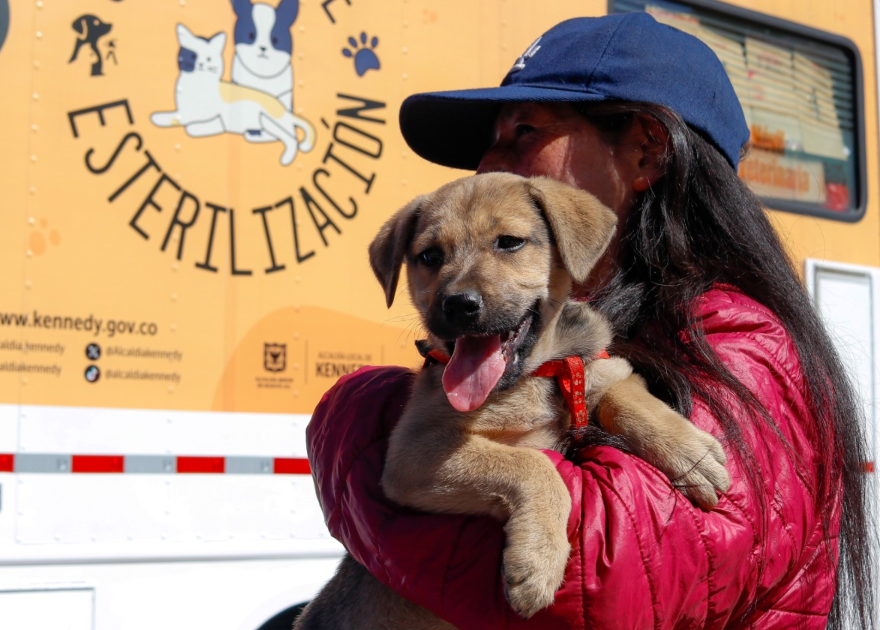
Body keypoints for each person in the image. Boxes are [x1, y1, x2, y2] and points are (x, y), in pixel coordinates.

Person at [307, 12, 873, 629]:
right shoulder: (577, 328)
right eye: (488, 145)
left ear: (645, 149)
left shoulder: (741, 340)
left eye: (524, 131)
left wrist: (357, 418)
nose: (487, 168)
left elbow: (609, 583)